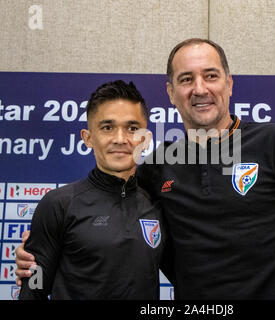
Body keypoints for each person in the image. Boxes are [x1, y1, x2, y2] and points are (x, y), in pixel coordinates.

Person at [16, 38, 275, 300]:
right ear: (171, 93)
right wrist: (41, 248)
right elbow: (109, 208)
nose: (200, 88)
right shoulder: (157, 166)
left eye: (211, 76)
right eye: (186, 79)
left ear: (229, 84)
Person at [17, 80, 165, 299]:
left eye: (132, 128)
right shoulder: (58, 204)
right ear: (88, 138)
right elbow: (33, 288)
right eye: (107, 128)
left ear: (145, 139)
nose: (120, 139)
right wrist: (30, 271)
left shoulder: (159, 203)